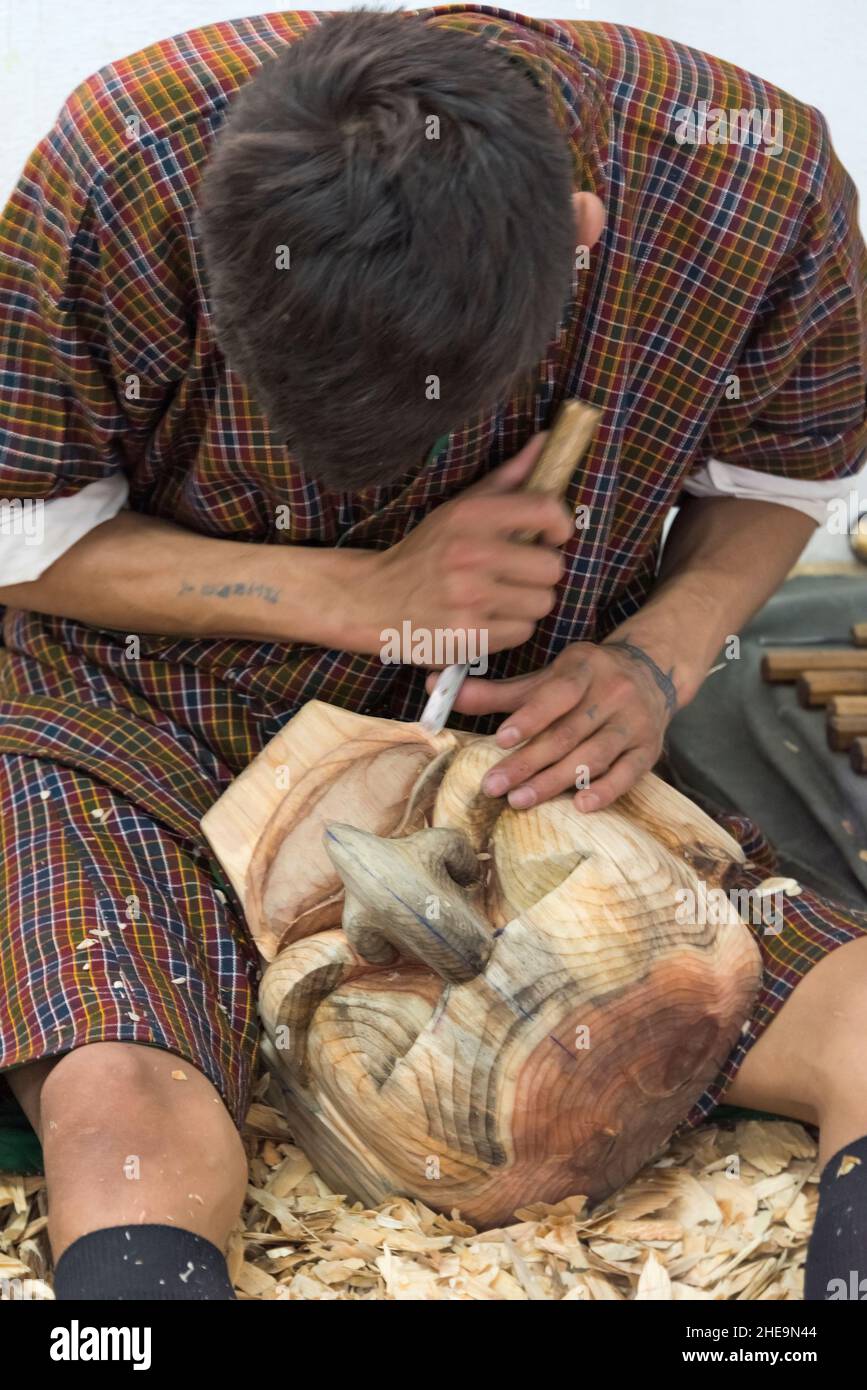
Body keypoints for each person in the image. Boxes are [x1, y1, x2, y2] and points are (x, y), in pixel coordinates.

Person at [0, 7, 864, 1301]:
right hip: (142, 696)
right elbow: (23, 531)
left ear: (580, 238)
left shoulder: (749, 180)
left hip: (508, 737)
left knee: (853, 1012)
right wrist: (361, 590)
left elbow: (789, 473)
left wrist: (654, 660)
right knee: (117, 1109)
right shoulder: (124, 158)